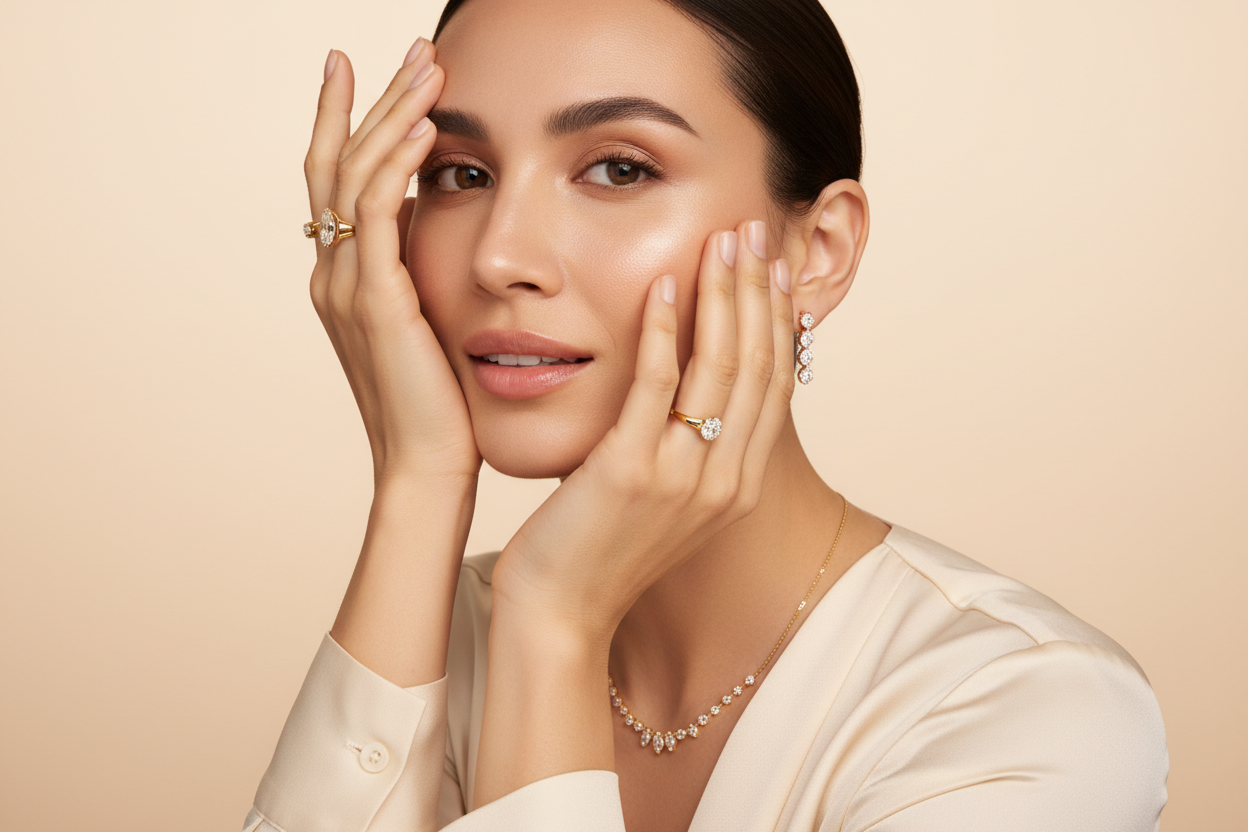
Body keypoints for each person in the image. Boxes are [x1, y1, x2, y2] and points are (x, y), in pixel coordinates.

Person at [247, 0, 1169, 829]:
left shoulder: (1023, 711)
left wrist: (556, 627)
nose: (500, 257)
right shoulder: (426, 640)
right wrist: (417, 483)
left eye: (617, 167)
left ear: (818, 249)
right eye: (459, 174)